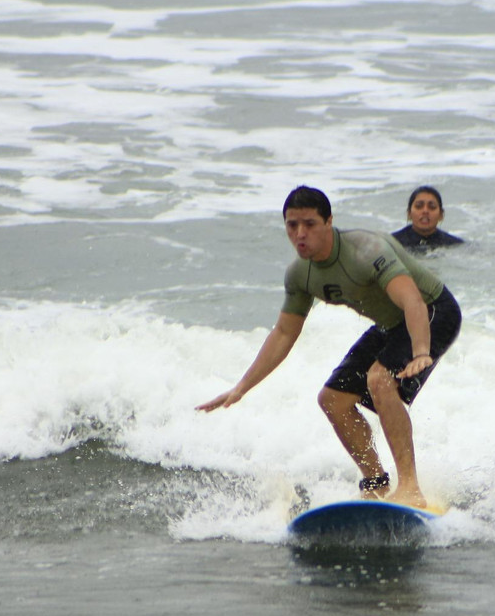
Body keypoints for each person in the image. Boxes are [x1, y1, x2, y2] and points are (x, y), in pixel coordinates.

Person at [197, 186, 461, 510]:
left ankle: (411, 489)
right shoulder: (300, 274)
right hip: (391, 324)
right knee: (333, 401)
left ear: (329, 222)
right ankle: (376, 484)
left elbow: (412, 300)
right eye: (292, 225)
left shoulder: (367, 250)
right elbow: (283, 333)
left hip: (433, 312)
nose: (300, 234)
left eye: (309, 224)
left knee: (380, 380)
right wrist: (242, 387)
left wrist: (421, 350)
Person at [391, 185, 465, 251]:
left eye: (432, 207)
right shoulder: (392, 243)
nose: (425, 211)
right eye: (419, 206)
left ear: (441, 215)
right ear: (409, 213)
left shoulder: (455, 245)